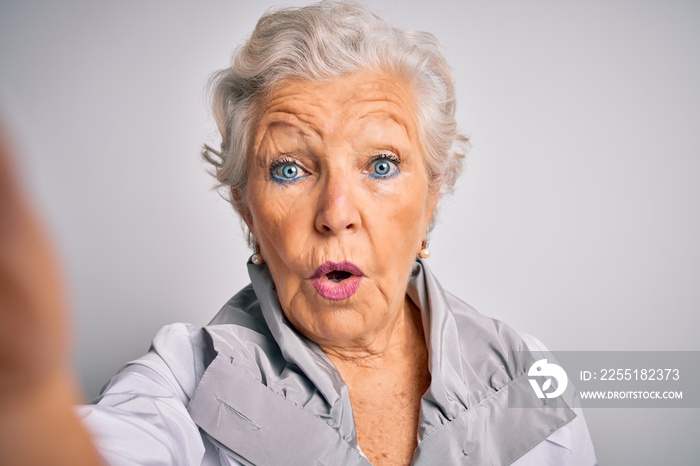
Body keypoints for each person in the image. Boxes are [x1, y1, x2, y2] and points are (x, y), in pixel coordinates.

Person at [0, 1, 597, 465]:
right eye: (289, 169)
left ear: (433, 194)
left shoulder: (527, 372)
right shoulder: (184, 378)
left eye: (381, 165)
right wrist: (27, 395)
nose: (336, 212)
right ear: (246, 209)